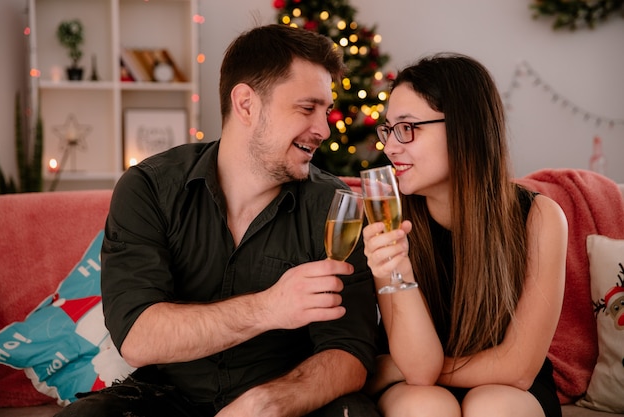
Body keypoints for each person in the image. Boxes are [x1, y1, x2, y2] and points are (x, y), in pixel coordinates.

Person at [55, 24, 380, 417]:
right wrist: (269, 307)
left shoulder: (335, 207)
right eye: (307, 108)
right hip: (166, 400)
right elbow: (138, 336)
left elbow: (349, 351)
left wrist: (269, 403)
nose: (323, 129)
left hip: (286, 397)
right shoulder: (149, 189)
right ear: (245, 104)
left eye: (325, 111)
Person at [361, 53, 568, 417]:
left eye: (407, 128)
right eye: (389, 129)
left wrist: (392, 367)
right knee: (427, 407)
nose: (390, 146)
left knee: (495, 407)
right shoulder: (387, 217)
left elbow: (518, 369)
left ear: (463, 128)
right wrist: (400, 273)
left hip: (507, 387)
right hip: (416, 382)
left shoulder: (539, 218)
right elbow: (419, 372)